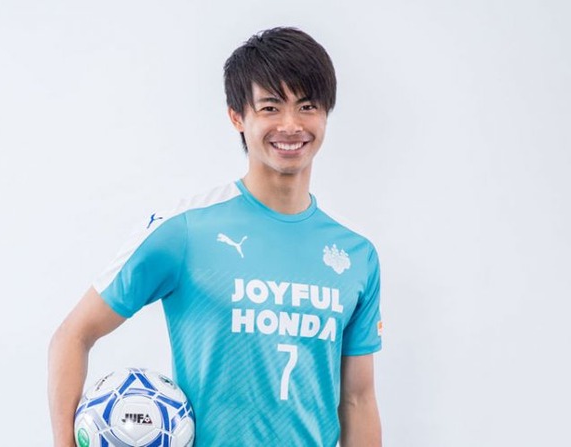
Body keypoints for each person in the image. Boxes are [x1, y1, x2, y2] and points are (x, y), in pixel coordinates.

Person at [48, 27, 383, 446]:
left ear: (325, 114)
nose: (291, 125)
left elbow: (357, 399)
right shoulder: (186, 230)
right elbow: (73, 335)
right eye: (270, 107)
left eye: (307, 106)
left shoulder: (355, 255)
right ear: (237, 116)